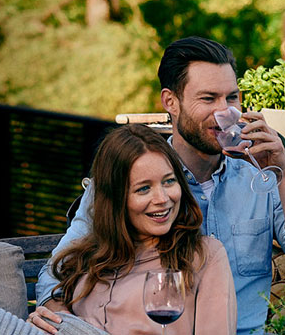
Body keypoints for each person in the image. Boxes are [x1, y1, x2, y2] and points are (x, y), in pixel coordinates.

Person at [35, 36, 285, 335]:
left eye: (232, 97)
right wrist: (68, 327)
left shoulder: (259, 178)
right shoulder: (131, 178)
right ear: (171, 101)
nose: (225, 112)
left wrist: (283, 170)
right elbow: (55, 279)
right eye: (208, 98)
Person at [30, 124, 236, 334]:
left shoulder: (204, 256)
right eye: (144, 188)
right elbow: (54, 307)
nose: (163, 199)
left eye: (169, 181)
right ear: (114, 198)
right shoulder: (89, 256)